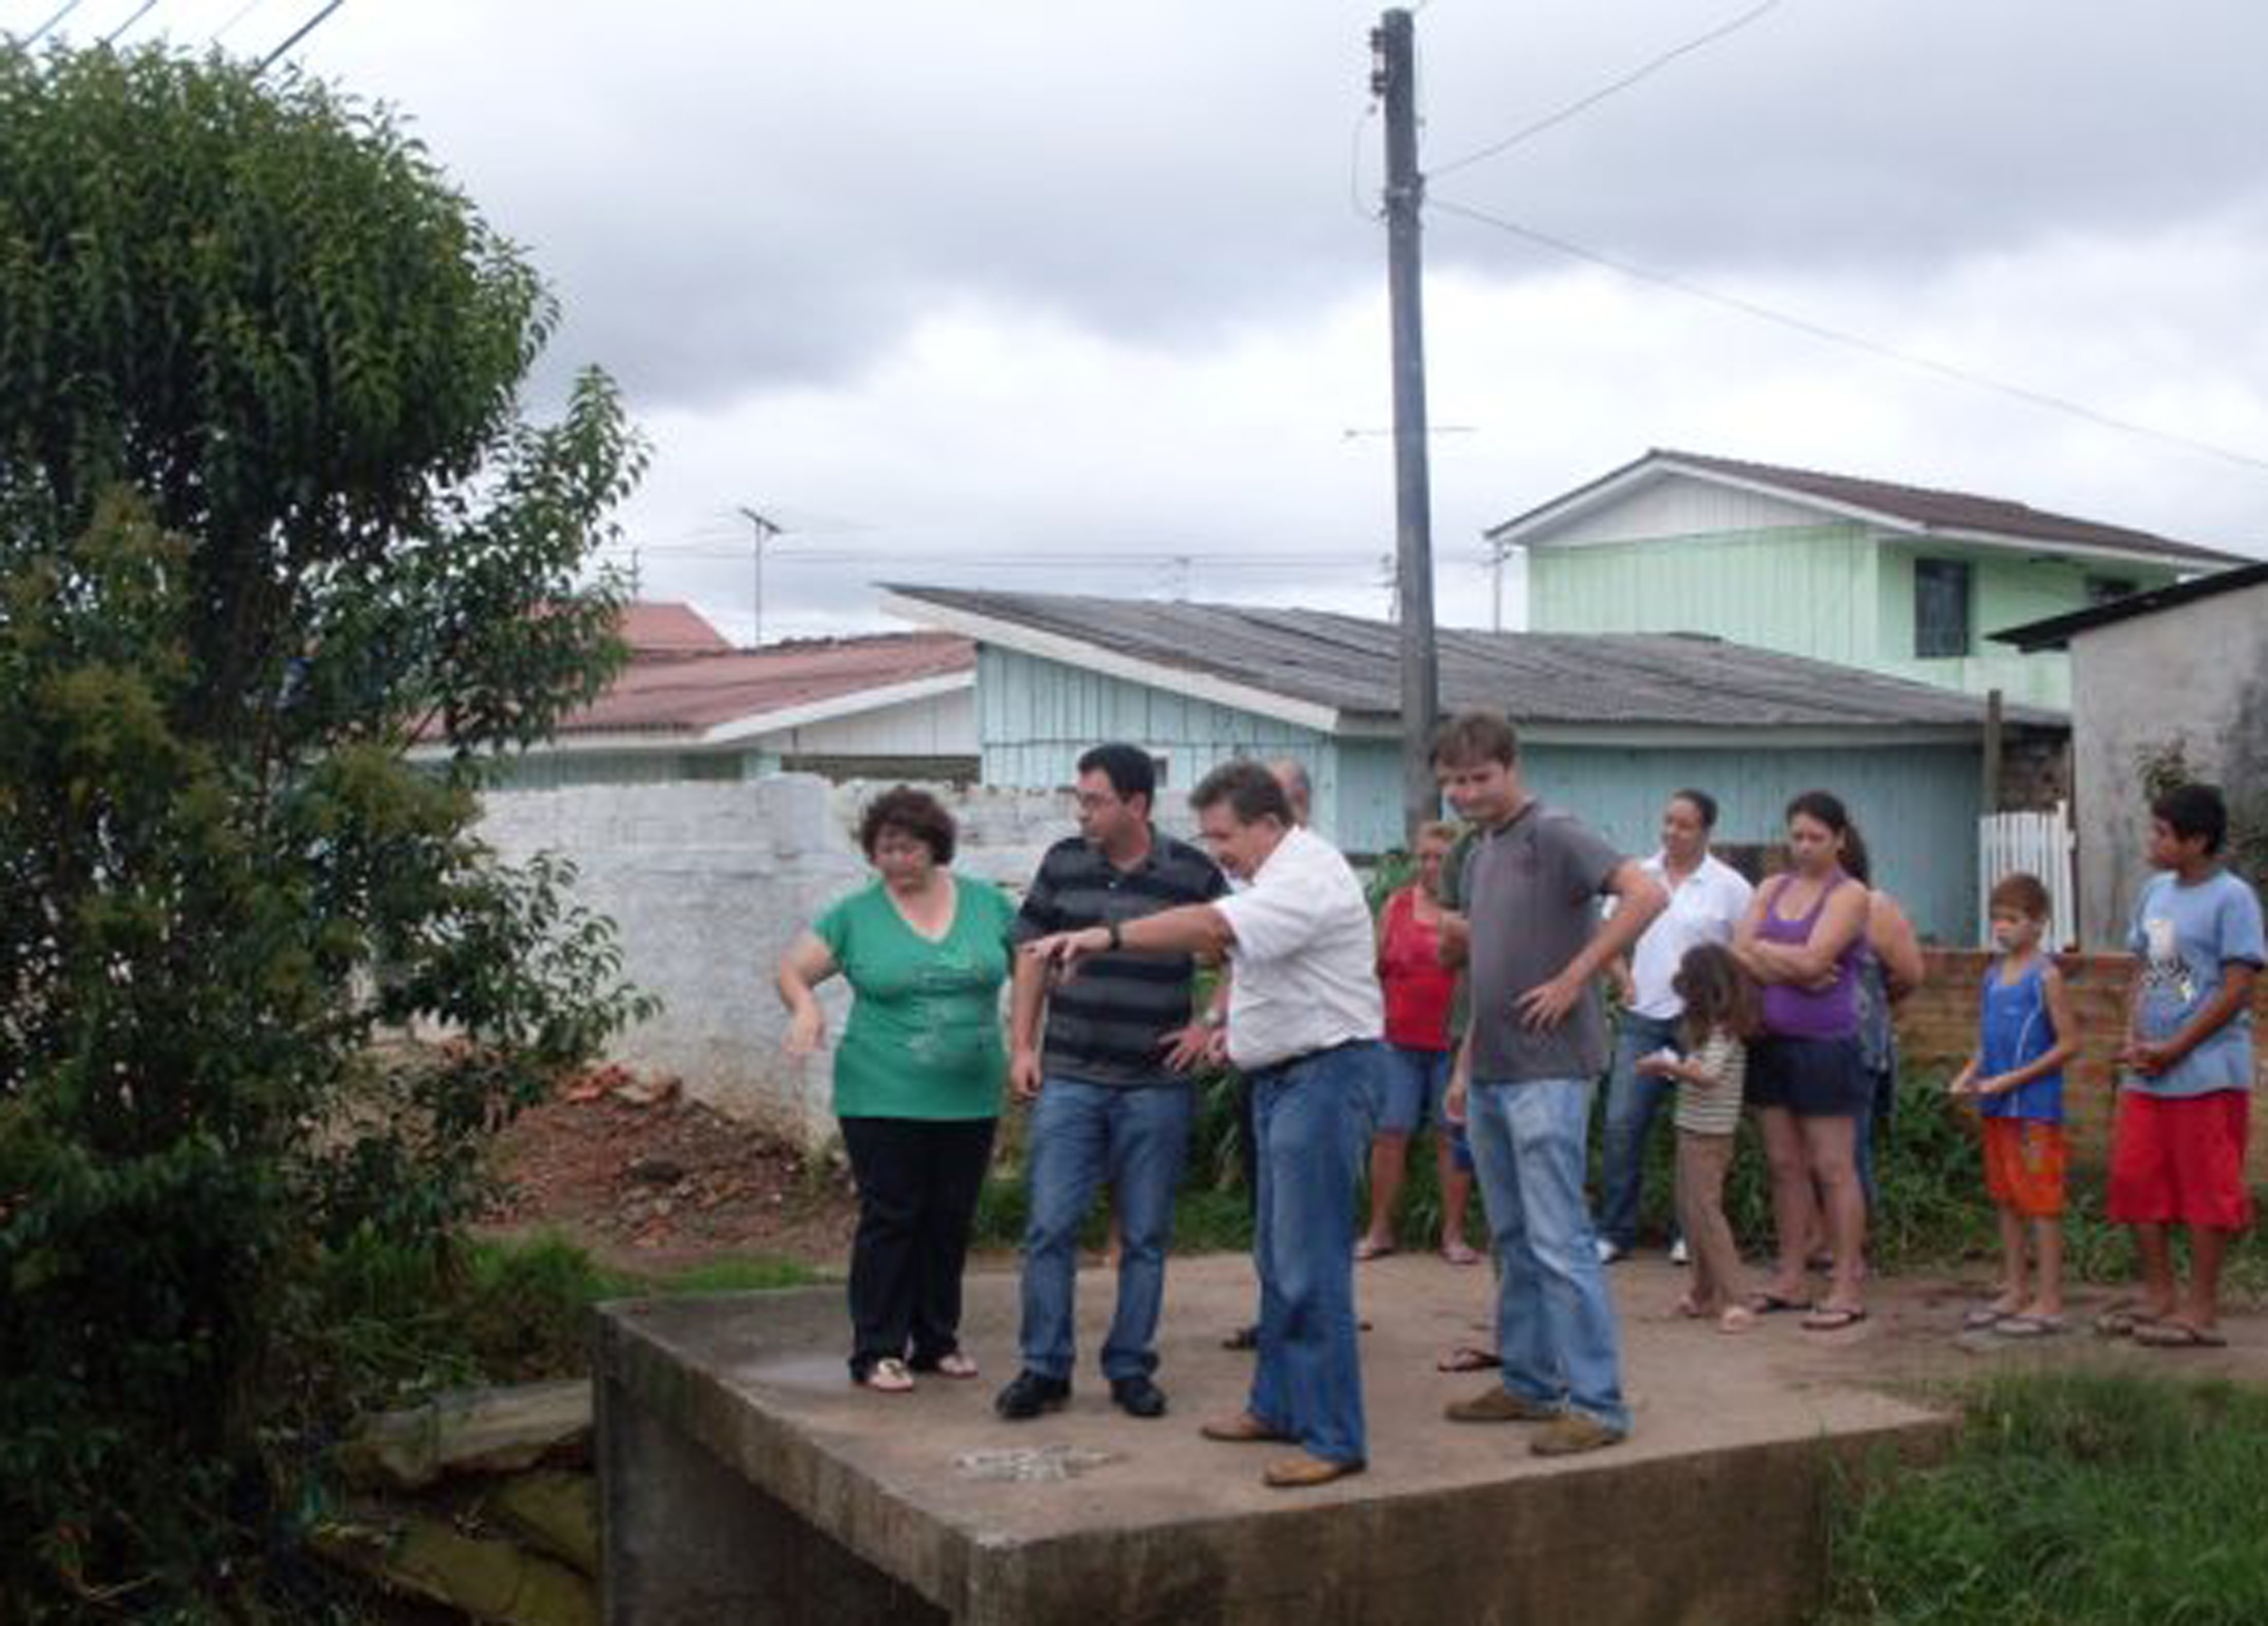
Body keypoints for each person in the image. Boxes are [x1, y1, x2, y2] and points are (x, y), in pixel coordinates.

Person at [1027, 759, 1381, 1489]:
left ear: (1269, 824)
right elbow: (1246, 958)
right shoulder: (1270, 875)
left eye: (1224, 836)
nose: (1217, 851)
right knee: (1278, 1264)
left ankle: (1334, 1435)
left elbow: (1212, 927)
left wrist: (1105, 936)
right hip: (1282, 1078)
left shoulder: (1305, 875)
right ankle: (1277, 1404)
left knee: (1312, 1267)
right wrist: (1226, 1021)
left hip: (1324, 1079)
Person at [1434, 711, 1666, 1457]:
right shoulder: (1479, 851)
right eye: (1453, 782)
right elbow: (1487, 969)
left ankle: (1598, 1404)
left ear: (1511, 766)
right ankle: (1531, 1382)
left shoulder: (1557, 831)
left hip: (1552, 1070)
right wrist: (1465, 1068)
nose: (1467, 793)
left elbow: (1645, 894)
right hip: (1495, 1068)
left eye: (1479, 777)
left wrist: (1576, 977)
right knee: (1511, 1237)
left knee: (1560, 1236)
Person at [995, 744, 1229, 1423]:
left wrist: (1209, 1021)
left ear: (1137, 803)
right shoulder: (1064, 861)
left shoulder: (1190, 869)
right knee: (1048, 1227)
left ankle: (1130, 1366)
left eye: (1095, 800)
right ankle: (1044, 1368)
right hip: (1070, 1074)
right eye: (1081, 799)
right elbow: (1030, 951)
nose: (1084, 812)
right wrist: (1022, 1045)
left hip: (1156, 1082)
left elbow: (1241, 940)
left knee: (1147, 1234)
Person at [775, 786, 1015, 1392]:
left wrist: (1041, 1031)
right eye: (883, 849)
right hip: (880, 1091)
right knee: (893, 1214)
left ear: (935, 847)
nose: (894, 861)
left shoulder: (989, 905)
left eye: (906, 848)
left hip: (969, 1092)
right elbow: (792, 969)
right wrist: (805, 1008)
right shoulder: (854, 915)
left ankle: (937, 1339)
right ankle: (878, 1347)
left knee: (950, 1217)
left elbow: (1034, 963)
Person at [2100, 783, 2263, 1349]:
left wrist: (2179, 1046)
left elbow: (2238, 989)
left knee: (2204, 1187)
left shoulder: (2232, 898)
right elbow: (2153, 970)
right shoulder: (2156, 894)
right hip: (2149, 1068)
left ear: (2197, 841)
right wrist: (2135, 1037)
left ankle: (2201, 1309)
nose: (2152, 840)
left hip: (2210, 1071)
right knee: (2134, 1177)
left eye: (2163, 832)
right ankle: (2159, 1295)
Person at [1733, 791, 1873, 1333]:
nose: (1805, 847)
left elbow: (1816, 957)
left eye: (1816, 837)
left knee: (1833, 1167)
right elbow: (1737, 951)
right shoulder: (1771, 886)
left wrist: (1772, 957)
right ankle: (1790, 1278)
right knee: (1784, 1164)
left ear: (1840, 838)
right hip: (1769, 1041)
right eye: (1797, 836)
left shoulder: (1850, 894)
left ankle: (1846, 1285)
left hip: (1825, 1046)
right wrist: (1794, 966)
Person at [1596, 789, 1754, 1264]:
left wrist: (1726, 1011)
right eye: (1667, 822)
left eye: (1684, 825)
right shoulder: (1638, 876)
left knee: (1694, 1133)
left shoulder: (1729, 886)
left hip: (1700, 1024)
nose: (1671, 832)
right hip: (1643, 1018)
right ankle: (1614, 1231)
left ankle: (1692, 1231)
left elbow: (1742, 954)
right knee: (1622, 1124)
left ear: (1706, 831)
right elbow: (1608, 937)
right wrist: (1623, 980)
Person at [1949, 872, 2079, 1337]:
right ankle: (2016, 1289)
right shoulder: (1991, 976)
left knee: (2041, 1203)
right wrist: (1971, 1073)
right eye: (1996, 918)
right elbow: (1988, 1041)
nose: (2002, 927)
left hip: (2035, 1110)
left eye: (2013, 919)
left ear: (2039, 923)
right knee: (2006, 1198)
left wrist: (2012, 1078)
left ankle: (2049, 1299)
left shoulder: (2047, 976)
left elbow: (2068, 1045)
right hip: (1997, 1107)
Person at [1360, 820, 1478, 1265]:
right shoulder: (1396, 905)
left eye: (1439, 857)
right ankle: (1379, 1230)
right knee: (1390, 1133)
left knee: (1452, 1135)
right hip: (1397, 1041)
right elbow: (1371, 966)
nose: (1430, 865)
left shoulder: (1468, 910)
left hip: (1452, 1042)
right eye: (1423, 856)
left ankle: (1453, 1234)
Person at [1635, 943, 1759, 1333]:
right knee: (1691, 1214)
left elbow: (1708, 1076)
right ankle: (1703, 1292)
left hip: (1710, 1135)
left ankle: (1737, 1299)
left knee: (1706, 1213)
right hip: (1691, 1128)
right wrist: (1678, 1067)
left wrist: (1666, 1066)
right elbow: (1700, 1069)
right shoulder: (1708, 1032)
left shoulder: (1724, 1032)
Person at [1843, 829, 1926, 1214]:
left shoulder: (1874, 906)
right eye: (1799, 839)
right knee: (1806, 1152)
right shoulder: (1796, 901)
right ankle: (1816, 1237)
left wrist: (1870, 1003)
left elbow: (1909, 974)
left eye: (1816, 838)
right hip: (1802, 1044)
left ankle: (1851, 1244)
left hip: (1857, 1045)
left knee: (1849, 1149)